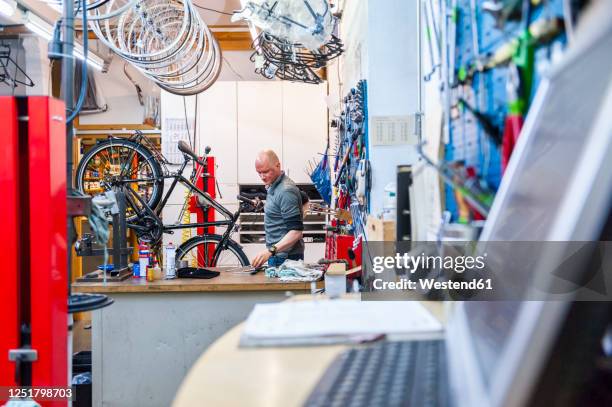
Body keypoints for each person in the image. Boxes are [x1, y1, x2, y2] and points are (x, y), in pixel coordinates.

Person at [251, 150, 305, 268]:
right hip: (278, 255)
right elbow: (305, 200)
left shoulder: (285, 190)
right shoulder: (274, 184)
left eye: (265, 171)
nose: (262, 177)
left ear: (278, 165)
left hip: (285, 258)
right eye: (259, 173)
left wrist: (270, 251)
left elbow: (296, 232)